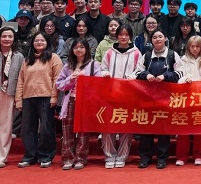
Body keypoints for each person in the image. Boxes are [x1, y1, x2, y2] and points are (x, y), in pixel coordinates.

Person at [135, 29, 183, 169]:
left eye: (160, 36)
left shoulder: (172, 55)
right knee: (146, 129)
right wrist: (146, 75)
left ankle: (162, 158)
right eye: (155, 37)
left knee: (163, 129)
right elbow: (137, 72)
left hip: (166, 98)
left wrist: (165, 76)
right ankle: (145, 158)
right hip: (147, 97)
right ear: (151, 41)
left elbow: (180, 73)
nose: (157, 39)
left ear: (165, 38)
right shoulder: (146, 55)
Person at [15, 32, 62, 168]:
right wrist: (19, 99)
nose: (39, 43)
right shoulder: (27, 60)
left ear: (47, 43)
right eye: (36, 40)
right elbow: (21, 81)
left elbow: (57, 79)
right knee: (27, 129)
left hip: (46, 97)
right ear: (32, 43)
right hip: (28, 97)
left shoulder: (54, 58)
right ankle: (30, 156)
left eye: (42, 40)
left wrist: (54, 97)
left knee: (46, 128)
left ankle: (45, 156)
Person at [100, 25, 143, 168]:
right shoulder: (109, 52)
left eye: (126, 35)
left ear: (130, 36)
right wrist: (105, 73)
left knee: (125, 124)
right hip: (110, 94)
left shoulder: (136, 53)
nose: (123, 37)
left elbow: (139, 70)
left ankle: (122, 155)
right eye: (121, 34)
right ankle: (109, 155)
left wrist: (132, 76)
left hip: (128, 94)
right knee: (108, 124)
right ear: (116, 36)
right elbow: (102, 68)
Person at [56, 38, 102, 170]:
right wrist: (70, 79)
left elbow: (98, 85)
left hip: (85, 101)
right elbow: (59, 84)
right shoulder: (68, 66)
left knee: (83, 131)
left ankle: (81, 158)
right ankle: (68, 158)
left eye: (82, 47)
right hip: (69, 101)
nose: (79, 50)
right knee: (67, 130)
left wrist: (85, 79)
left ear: (87, 49)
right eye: (76, 47)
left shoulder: (93, 65)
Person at [175, 36, 201, 166]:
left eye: (197, 46)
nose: (195, 49)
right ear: (188, 47)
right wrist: (184, 80)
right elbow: (178, 76)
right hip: (186, 99)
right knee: (183, 128)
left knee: (199, 128)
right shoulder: (183, 60)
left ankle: (198, 154)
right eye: (192, 46)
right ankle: (182, 156)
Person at [0, 27, 24, 168]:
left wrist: (18, 96)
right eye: (4, 36)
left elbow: (21, 78)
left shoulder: (18, 56)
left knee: (5, 125)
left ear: (14, 39)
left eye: (10, 36)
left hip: (9, 93)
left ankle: (2, 156)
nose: (7, 39)